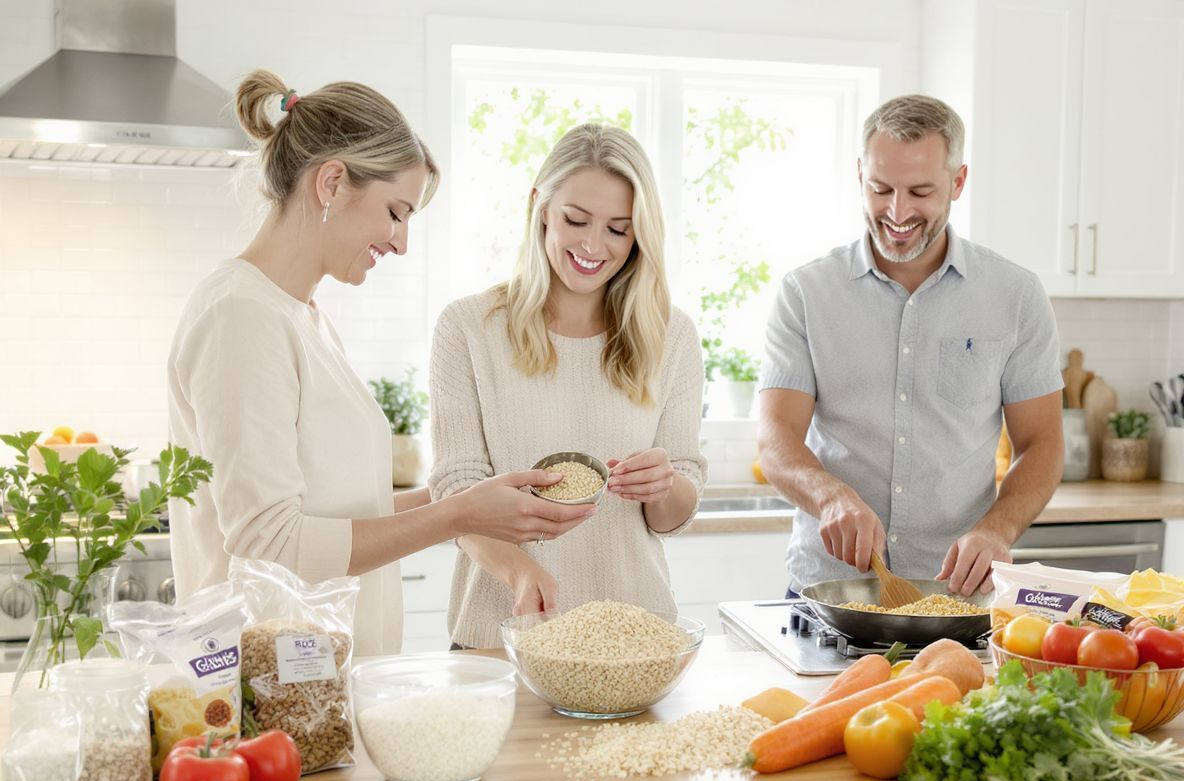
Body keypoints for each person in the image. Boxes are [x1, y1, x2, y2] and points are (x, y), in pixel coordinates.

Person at [167, 71, 594, 656]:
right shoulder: (241, 316)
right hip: (263, 690)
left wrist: (468, 500)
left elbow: (338, 512)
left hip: (317, 682)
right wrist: (457, 514)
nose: (400, 242)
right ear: (333, 182)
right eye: (397, 212)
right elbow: (268, 544)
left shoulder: (302, 316)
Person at [757, 94, 1064, 597]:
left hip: (956, 596)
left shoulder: (1015, 296)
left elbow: (1043, 443)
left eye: (920, 191)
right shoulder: (806, 294)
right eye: (881, 189)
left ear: (958, 182)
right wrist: (829, 496)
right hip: (829, 593)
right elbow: (775, 440)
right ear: (860, 176)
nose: (897, 212)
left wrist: (997, 529)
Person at [429, 123, 707, 649]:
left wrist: (664, 486)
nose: (592, 245)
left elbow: (675, 511)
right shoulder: (468, 328)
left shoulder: (672, 336)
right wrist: (518, 571)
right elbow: (455, 496)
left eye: (619, 229)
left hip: (633, 637)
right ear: (540, 206)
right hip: (502, 633)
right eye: (575, 220)